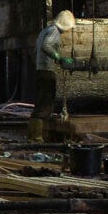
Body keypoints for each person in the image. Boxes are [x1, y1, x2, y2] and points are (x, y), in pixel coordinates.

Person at [28, 10, 76, 142]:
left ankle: (33, 135)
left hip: (40, 70)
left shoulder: (45, 30)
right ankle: (37, 138)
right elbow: (46, 46)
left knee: (40, 104)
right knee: (45, 105)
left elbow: (36, 49)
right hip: (46, 72)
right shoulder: (54, 31)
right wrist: (59, 58)